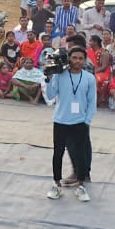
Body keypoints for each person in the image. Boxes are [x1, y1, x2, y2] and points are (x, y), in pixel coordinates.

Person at [44, 46, 95, 202]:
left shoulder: (89, 78)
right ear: (69, 59)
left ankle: (80, 186)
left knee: (80, 154)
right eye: (74, 58)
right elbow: (51, 95)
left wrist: (86, 121)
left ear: (84, 60)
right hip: (60, 120)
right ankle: (56, 184)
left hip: (79, 122)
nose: (77, 61)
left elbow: (92, 102)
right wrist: (49, 78)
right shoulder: (60, 76)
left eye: (80, 58)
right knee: (57, 153)